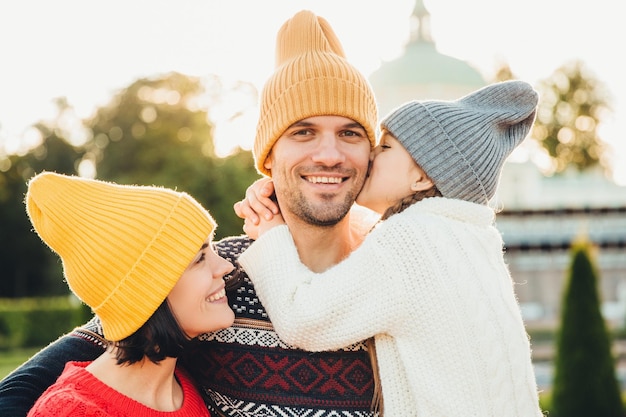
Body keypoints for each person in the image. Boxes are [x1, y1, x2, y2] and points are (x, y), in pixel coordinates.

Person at [0, 10, 381, 417]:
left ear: (372, 155)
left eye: (351, 133)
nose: (328, 155)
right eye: (302, 132)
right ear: (269, 156)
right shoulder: (220, 278)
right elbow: (36, 387)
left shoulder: (397, 274)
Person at [236, 81, 545, 416]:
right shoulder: (469, 238)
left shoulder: (411, 241)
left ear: (423, 179)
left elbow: (303, 319)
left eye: (385, 148)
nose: (369, 157)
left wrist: (271, 233)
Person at [22, 172, 235, 416]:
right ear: (145, 293)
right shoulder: (69, 412)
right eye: (200, 259)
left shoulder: (193, 388)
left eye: (213, 248)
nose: (225, 266)